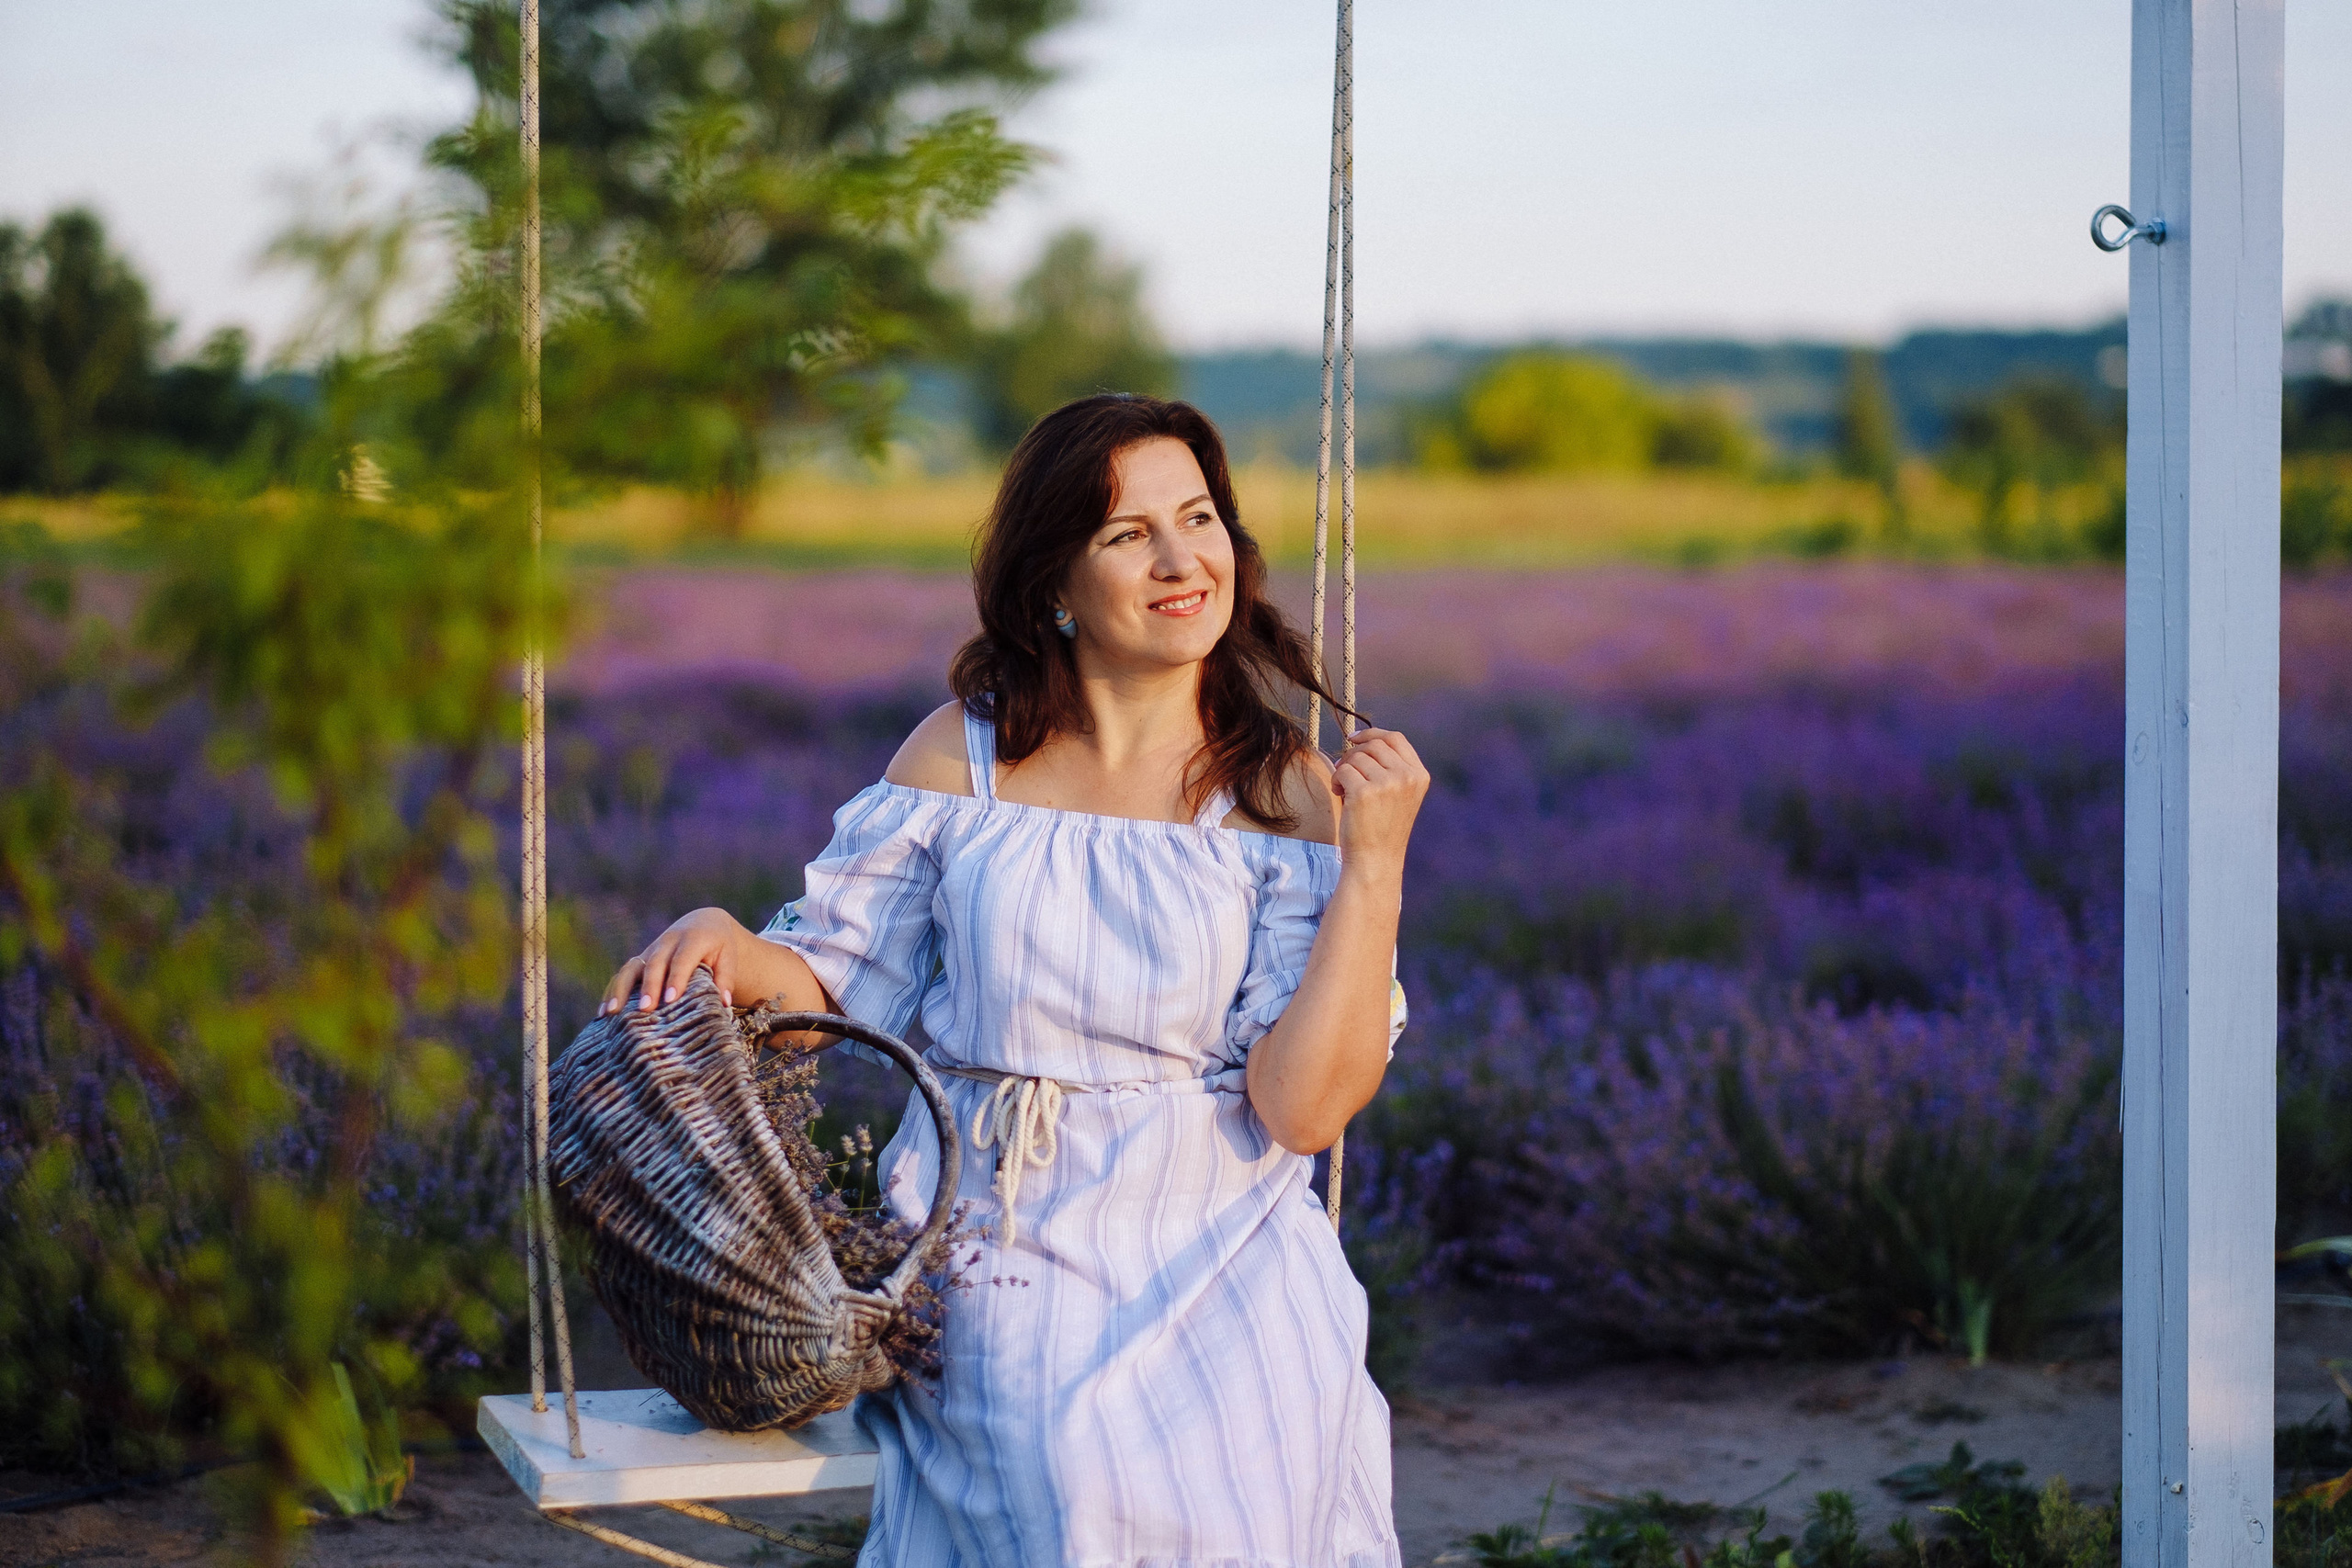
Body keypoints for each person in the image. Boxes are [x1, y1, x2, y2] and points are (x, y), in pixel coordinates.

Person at [600, 393, 1428, 1567]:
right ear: (1055, 582)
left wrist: (1373, 868)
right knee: (1068, 1478)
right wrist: (727, 938)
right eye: (1127, 533)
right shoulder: (963, 762)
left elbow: (1303, 1110)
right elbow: (827, 989)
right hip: (998, 1238)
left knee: (1232, 1491)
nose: (1181, 559)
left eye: (1198, 518)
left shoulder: (1282, 790)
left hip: (1218, 1249)